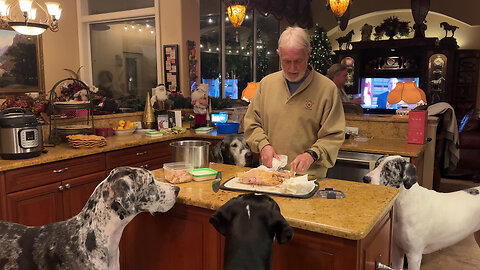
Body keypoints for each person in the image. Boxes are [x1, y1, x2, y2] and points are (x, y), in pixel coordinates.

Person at [243, 26, 346, 177]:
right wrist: (263, 145)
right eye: (286, 61)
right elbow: (252, 124)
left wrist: (312, 154)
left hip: (310, 179)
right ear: (279, 54)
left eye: (298, 61)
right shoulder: (266, 84)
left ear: (308, 53)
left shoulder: (327, 89)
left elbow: (333, 135)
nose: (292, 68)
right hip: (269, 176)